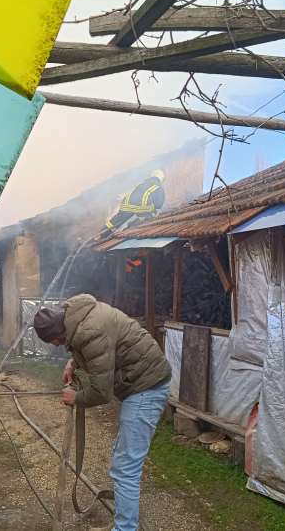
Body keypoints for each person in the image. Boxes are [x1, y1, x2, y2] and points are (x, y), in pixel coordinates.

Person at [33, 294, 171, 531]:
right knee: (122, 462)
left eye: (52, 343)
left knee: (127, 466)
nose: (55, 347)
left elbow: (102, 392)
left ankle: (124, 528)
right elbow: (101, 348)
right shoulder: (81, 316)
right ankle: (124, 520)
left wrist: (75, 398)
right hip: (141, 383)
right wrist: (73, 362)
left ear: (58, 334)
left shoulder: (89, 332)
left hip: (147, 387)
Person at [96, 170, 166, 240]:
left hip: (126, 204)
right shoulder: (159, 187)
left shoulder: (141, 184)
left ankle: (100, 235)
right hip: (143, 206)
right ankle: (143, 218)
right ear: (161, 180)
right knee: (153, 213)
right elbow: (159, 205)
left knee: (116, 221)